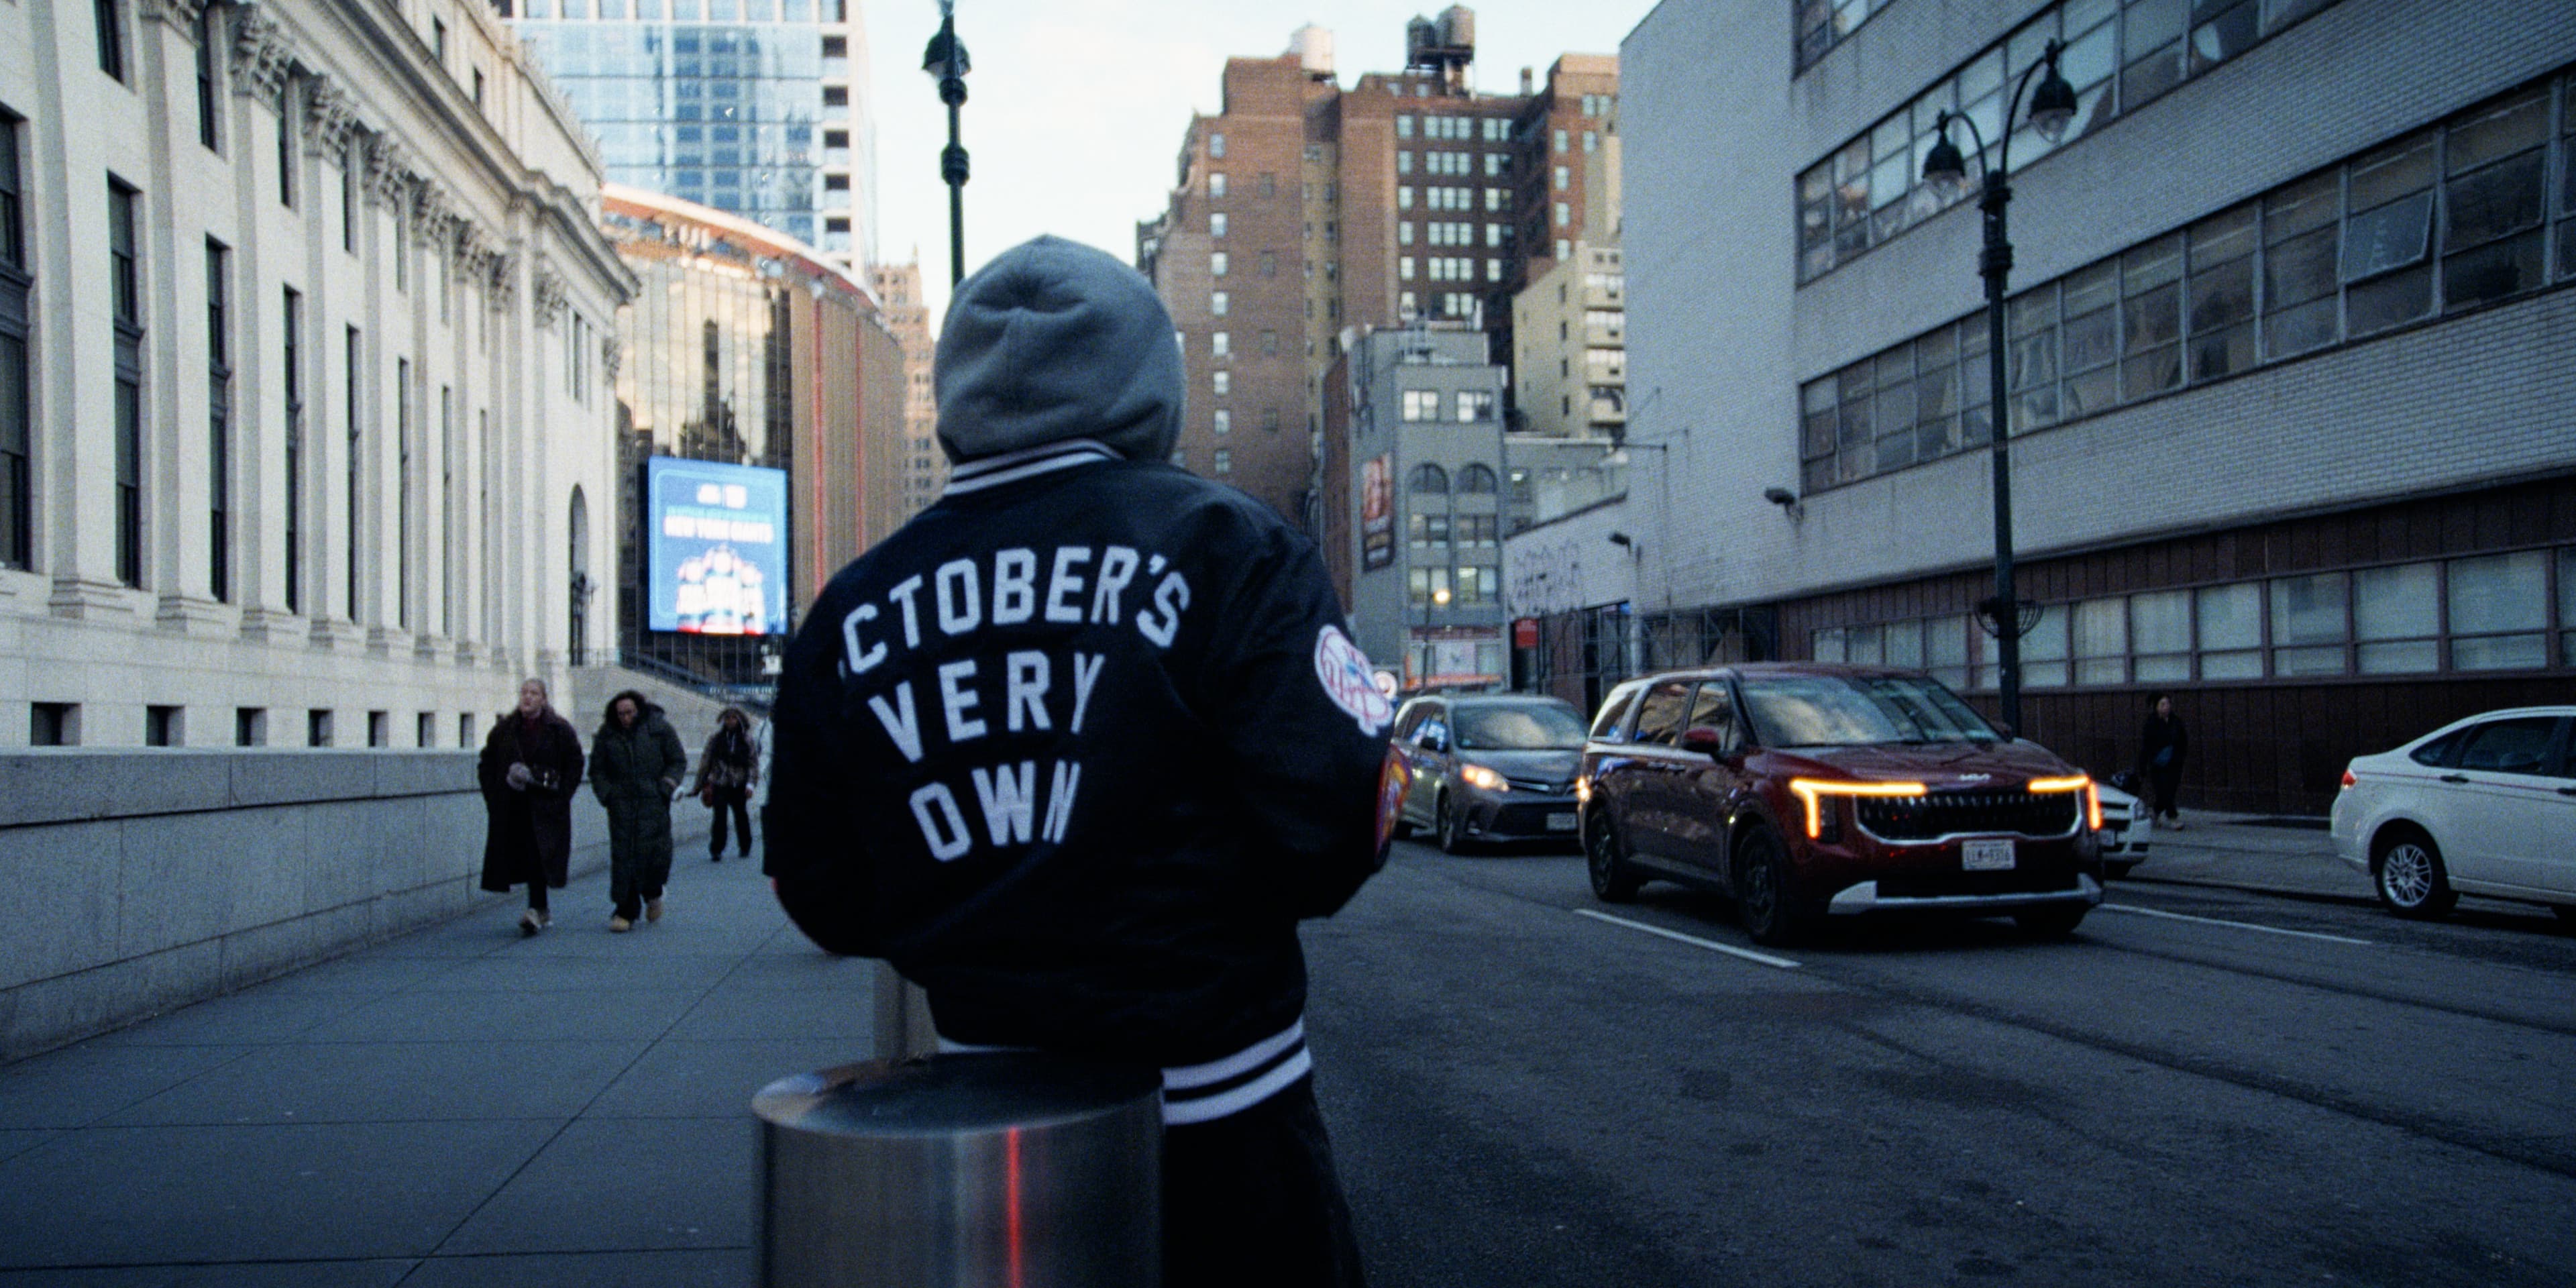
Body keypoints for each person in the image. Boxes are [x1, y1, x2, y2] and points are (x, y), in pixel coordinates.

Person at [763, 235, 1400, 1287]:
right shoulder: (1229, 548)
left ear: (959, 397)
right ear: (1151, 389)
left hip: (974, 1138)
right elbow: (1333, 823)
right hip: (1226, 1132)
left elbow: (821, 890)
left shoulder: (856, 605)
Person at [477, 678, 586, 936]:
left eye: (534, 693)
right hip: (513, 806)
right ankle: (541, 909)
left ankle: (536, 910)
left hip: (546, 806)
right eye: (524, 693)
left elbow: (575, 764)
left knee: (539, 855)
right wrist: (494, 796)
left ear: (544, 699)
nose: (527, 698)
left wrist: (562, 797)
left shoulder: (559, 729)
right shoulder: (505, 729)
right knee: (524, 855)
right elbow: (486, 764)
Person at [589, 690, 688, 932]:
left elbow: (677, 760)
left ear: (639, 710)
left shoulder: (660, 729)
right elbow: (597, 770)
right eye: (620, 714)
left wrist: (666, 786)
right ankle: (625, 910)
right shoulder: (607, 735)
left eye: (629, 713)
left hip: (653, 802)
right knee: (625, 857)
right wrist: (608, 794)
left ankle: (654, 893)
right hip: (621, 804)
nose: (625, 718)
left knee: (657, 856)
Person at [694, 706, 760, 861]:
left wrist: (751, 784)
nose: (730, 721)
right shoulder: (716, 739)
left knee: (741, 816)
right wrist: (701, 784)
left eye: (733, 718)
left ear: (739, 720)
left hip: (739, 783)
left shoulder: (746, 740)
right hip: (720, 783)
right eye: (728, 718)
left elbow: (753, 763)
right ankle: (716, 849)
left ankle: (745, 846)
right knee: (719, 817)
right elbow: (706, 762)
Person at [2138, 692, 2189, 828]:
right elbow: (2146, 745)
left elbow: (2183, 740)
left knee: (2169, 791)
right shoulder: (2151, 723)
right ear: (2156, 707)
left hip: (2174, 762)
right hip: (2157, 764)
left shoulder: (2176, 722)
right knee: (2164, 790)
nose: (2166, 707)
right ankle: (2173, 817)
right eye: (2163, 704)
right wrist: (2143, 765)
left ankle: (2154, 813)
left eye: (2168, 704)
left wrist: (2180, 756)